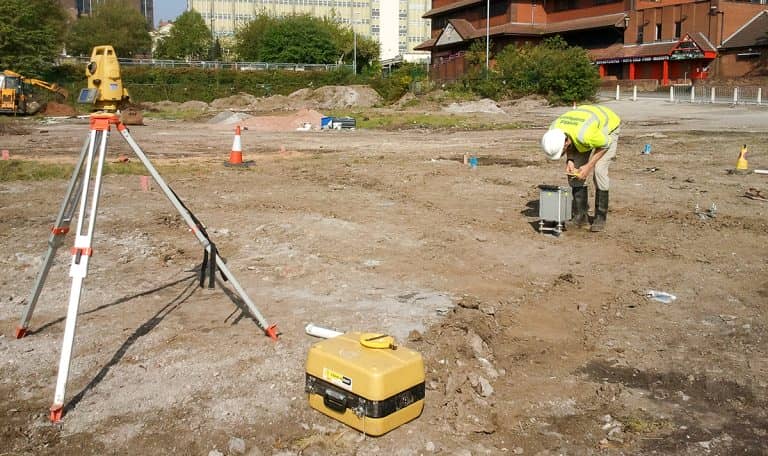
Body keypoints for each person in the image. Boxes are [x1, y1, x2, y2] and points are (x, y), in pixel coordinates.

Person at [540, 104, 621, 232]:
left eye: (562, 152)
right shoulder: (554, 130)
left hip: (608, 128)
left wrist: (589, 166)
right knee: (574, 173)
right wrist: (570, 159)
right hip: (583, 130)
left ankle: (600, 217)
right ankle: (580, 216)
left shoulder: (585, 135)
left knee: (599, 171)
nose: (562, 154)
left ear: (566, 142)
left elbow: (605, 144)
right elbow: (570, 144)